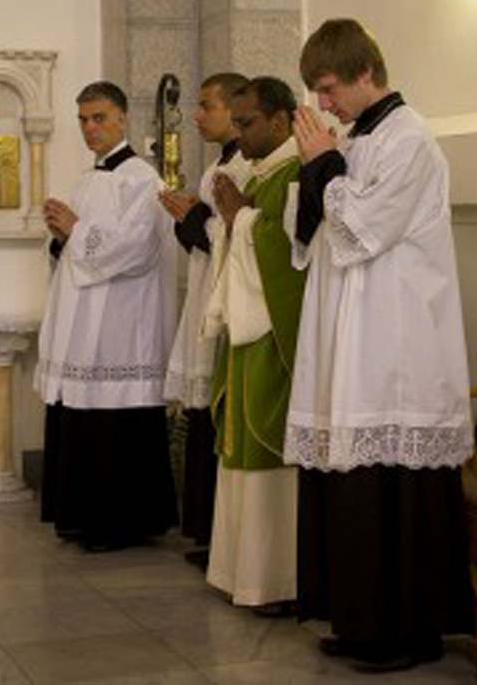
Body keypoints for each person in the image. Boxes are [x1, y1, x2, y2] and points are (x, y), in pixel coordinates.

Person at [283, 19, 474, 671]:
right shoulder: (356, 140)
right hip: (348, 341)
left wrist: (324, 166)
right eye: (315, 92)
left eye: (329, 88)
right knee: (353, 489)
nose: (323, 104)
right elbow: (309, 231)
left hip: (395, 344)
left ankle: (407, 633)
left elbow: (365, 227)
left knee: (390, 491)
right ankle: (362, 622)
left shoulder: (410, 140)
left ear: (365, 71)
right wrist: (317, 171)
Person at [37, 80, 178, 552]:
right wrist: (60, 237)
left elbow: (135, 250)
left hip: (121, 324)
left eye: (98, 118)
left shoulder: (143, 179)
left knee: (112, 420)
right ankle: (79, 517)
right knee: (81, 415)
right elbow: (76, 250)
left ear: (123, 118)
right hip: (83, 323)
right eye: (82, 120)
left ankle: (120, 523)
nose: (89, 128)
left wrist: (76, 230)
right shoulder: (87, 179)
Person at [203, 76, 307, 613]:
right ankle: (238, 572)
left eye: (247, 124)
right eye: (236, 123)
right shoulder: (260, 171)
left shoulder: (294, 172)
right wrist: (234, 221)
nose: (238, 135)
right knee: (239, 448)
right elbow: (243, 230)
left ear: (282, 121)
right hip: (248, 333)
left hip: (273, 336)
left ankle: (275, 581)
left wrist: (241, 219)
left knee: (269, 447)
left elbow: (287, 252)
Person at [160, 72, 251, 570]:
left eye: (206, 105)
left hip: (228, 303)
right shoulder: (219, 163)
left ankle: (220, 534)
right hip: (203, 292)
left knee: (215, 415)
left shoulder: (245, 166)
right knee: (199, 417)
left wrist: (193, 218)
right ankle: (204, 529)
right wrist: (188, 219)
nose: (197, 115)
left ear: (235, 108)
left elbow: (235, 237)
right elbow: (208, 235)